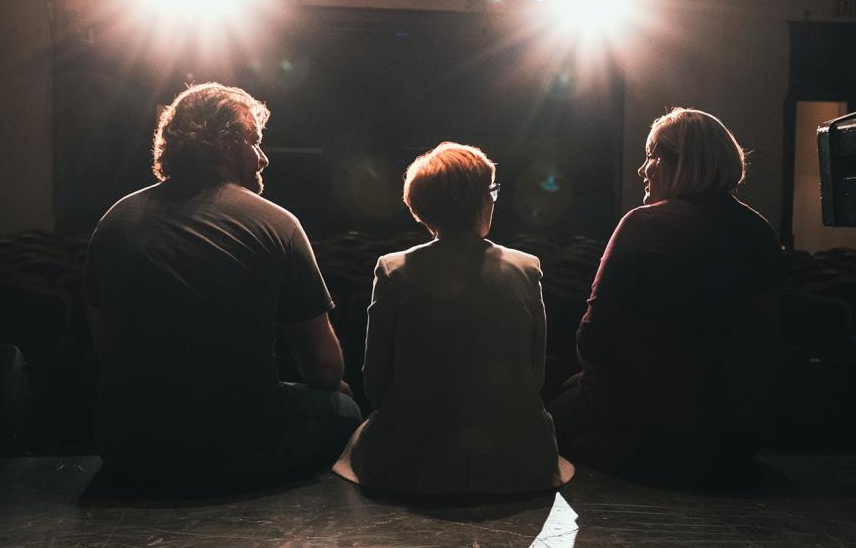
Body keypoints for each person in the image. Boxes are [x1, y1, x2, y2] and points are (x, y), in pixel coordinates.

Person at [83, 82, 361, 488]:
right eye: (255, 142)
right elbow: (323, 367)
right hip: (241, 449)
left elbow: (104, 344)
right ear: (228, 144)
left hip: (130, 449)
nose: (263, 159)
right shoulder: (278, 224)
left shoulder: (114, 221)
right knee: (344, 406)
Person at [549, 107, 785, 478]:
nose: (643, 169)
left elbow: (593, 341)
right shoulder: (761, 233)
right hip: (735, 436)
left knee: (547, 419)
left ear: (683, 163)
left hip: (648, 434)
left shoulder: (645, 225)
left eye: (652, 155)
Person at [332, 142, 574, 495]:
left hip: (413, 460)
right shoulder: (527, 268)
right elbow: (535, 374)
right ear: (479, 201)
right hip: (515, 462)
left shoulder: (393, 270)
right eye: (491, 190)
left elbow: (376, 380)